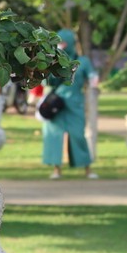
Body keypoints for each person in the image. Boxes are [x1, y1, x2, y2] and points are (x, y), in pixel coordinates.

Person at [42, 28, 99, 179]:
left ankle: (87, 169)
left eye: (64, 42)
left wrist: (94, 80)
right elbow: (45, 81)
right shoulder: (53, 61)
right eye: (59, 42)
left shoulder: (83, 62)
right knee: (54, 135)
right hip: (56, 103)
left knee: (78, 135)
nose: (62, 45)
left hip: (75, 103)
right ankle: (56, 170)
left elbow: (92, 74)